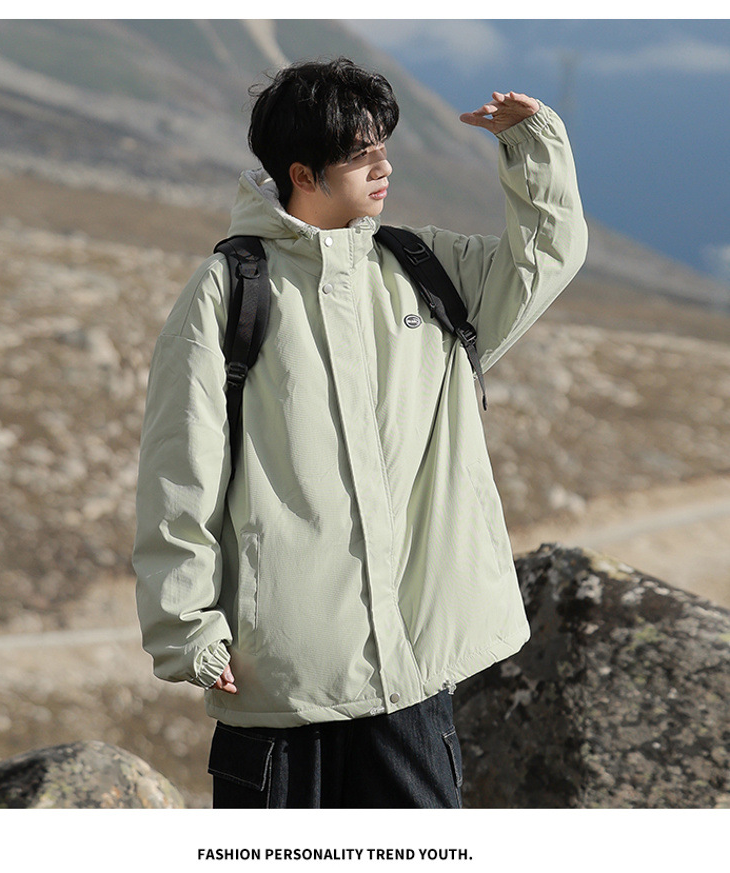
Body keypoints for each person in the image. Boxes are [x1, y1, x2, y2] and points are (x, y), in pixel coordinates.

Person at [133, 57, 588, 808]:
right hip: (280, 682)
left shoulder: (424, 269)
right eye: (361, 154)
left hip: (412, 680)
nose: (385, 167)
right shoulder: (225, 294)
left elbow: (546, 255)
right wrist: (187, 626)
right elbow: (181, 471)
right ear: (302, 173)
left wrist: (532, 144)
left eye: (385, 147)